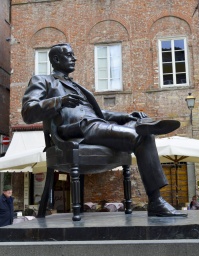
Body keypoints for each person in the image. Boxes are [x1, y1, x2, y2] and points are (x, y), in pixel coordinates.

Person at [22, 43, 187, 217]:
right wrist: (59, 101)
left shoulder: (77, 87)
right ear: (56, 59)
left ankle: (139, 124)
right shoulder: (42, 80)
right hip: (75, 131)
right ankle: (156, 202)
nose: (74, 58)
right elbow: (28, 112)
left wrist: (126, 116)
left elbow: (99, 113)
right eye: (69, 55)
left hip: (93, 125)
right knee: (139, 136)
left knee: (141, 131)